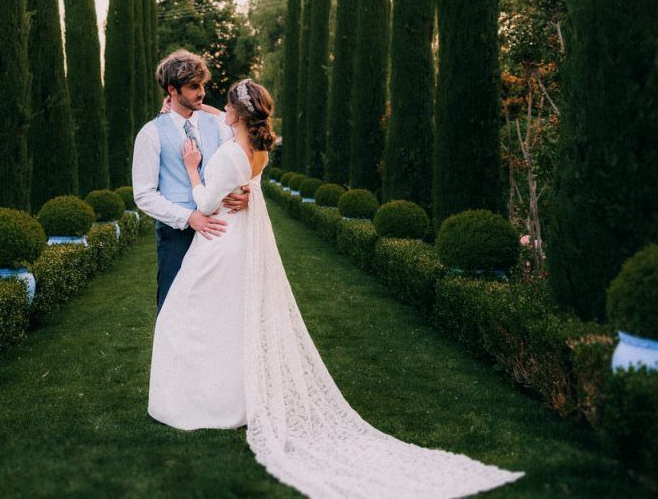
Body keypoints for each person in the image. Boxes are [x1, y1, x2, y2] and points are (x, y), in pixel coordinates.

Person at [148, 78, 525, 498]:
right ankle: (234, 398)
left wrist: (191, 168)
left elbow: (202, 203)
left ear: (236, 113)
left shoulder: (227, 155)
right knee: (231, 319)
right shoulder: (257, 150)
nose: (219, 108)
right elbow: (239, 163)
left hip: (218, 241)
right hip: (241, 240)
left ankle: (210, 402)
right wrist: (217, 131)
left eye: (226, 106)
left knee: (188, 317)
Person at [131, 50, 250, 314]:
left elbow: (246, 160)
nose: (201, 93)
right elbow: (144, 194)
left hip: (219, 231)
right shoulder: (150, 134)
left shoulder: (219, 125)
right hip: (176, 238)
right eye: (193, 87)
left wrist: (248, 192)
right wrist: (188, 217)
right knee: (173, 310)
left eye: (202, 85)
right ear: (172, 90)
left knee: (215, 312)